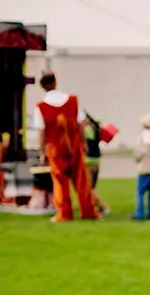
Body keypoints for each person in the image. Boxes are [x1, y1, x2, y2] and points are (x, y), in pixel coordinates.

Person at [32, 71, 99, 222]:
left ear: (42, 86)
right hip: (73, 145)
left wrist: (42, 151)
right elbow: (81, 124)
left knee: (60, 181)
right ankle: (88, 211)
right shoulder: (73, 101)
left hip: (55, 148)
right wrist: (84, 143)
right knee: (81, 180)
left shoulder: (40, 107)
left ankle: (65, 213)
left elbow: (41, 132)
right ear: (55, 82)